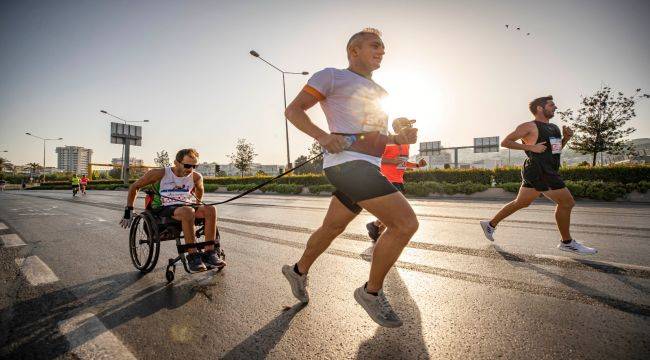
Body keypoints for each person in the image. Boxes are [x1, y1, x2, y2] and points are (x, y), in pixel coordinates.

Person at [281, 28, 419, 328]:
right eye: (375, 45)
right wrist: (322, 136)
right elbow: (293, 111)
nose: (382, 51)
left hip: (367, 166)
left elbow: (375, 138)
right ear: (353, 50)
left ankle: (298, 271)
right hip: (347, 164)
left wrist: (399, 137)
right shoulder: (331, 76)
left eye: (384, 48)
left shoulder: (381, 92)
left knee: (333, 226)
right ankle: (371, 292)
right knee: (405, 223)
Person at [479, 95, 597, 255]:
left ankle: (490, 225)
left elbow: (556, 150)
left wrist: (566, 138)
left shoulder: (554, 128)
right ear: (540, 108)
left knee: (521, 202)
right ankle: (567, 242)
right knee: (567, 203)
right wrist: (532, 147)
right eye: (551, 105)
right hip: (539, 170)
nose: (555, 107)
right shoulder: (529, 126)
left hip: (548, 169)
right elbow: (505, 142)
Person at [119, 148, 225, 271]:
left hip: (186, 206)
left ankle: (209, 253)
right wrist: (129, 210)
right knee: (187, 211)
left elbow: (200, 190)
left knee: (211, 209)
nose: (190, 169)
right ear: (176, 162)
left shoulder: (196, 177)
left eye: (194, 166)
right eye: (187, 165)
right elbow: (134, 186)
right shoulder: (159, 173)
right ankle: (193, 256)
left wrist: (197, 205)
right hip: (164, 207)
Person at [366, 118, 427, 243]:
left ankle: (375, 229)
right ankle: (378, 229)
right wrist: (391, 161)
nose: (410, 129)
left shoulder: (406, 145)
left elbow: (403, 162)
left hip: (399, 180)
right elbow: (376, 157)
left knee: (392, 213)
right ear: (399, 128)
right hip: (387, 180)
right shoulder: (388, 141)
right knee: (397, 213)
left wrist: (417, 165)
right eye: (408, 126)